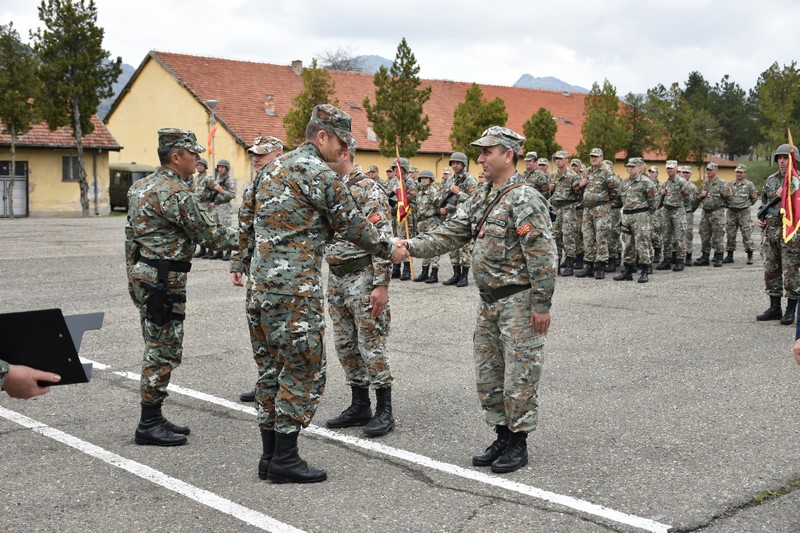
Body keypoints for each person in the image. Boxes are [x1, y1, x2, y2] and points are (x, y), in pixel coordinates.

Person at [394, 126, 556, 474]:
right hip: (488, 303)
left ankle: (518, 442)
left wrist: (542, 305)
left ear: (508, 155)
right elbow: (452, 231)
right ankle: (501, 433)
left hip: (519, 303)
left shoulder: (524, 198)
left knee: (520, 375)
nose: (480, 159)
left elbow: (542, 256)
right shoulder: (482, 194)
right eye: (480, 153)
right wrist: (410, 247)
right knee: (490, 375)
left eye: (487, 152)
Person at [249, 104, 396, 484]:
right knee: (303, 370)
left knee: (270, 372)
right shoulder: (318, 173)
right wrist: (389, 247)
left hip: (259, 290)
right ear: (322, 136)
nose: (343, 150)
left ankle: (269, 457)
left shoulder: (271, 170)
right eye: (341, 141)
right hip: (295, 293)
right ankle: (286, 458)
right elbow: (355, 225)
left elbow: (244, 222)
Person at [125, 128, 239, 447]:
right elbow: (211, 235)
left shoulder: (139, 187)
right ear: (177, 157)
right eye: (193, 154)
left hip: (146, 274)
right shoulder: (176, 192)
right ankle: (148, 423)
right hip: (165, 280)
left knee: (158, 343)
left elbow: (129, 238)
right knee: (162, 349)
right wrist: (254, 236)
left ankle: (155, 414)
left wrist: (133, 277)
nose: (198, 159)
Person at [324, 146, 396, 437]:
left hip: (363, 276)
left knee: (371, 343)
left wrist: (382, 284)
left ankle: (384, 410)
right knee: (345, 344)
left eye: (326, 155)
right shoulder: (329, 189)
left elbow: (384, 237)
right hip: (337, 277)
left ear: (343, 153)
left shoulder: (368, 189)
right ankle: (359, 404)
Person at [230, 136, 284, 404]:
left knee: (282, 332)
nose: (256, 158)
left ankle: (285, 386)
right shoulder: (253, 187)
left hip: (284, 276)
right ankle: (266, 381)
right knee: (258, 329)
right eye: (253, 153)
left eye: (262, 153)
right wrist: (237, 262)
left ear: (278, 155)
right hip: (257, 272)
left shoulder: (289, 185)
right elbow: (244, 228)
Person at [756, 144, 800, 325]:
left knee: (790, 271)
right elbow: (763, 203)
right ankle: (775, 307)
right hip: (771, 232)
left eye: (785, 158)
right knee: (771, 270)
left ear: (794, 160)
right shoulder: (771, 180)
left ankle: (791, 310)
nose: (781, 161)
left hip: (791, 234)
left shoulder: (798, 181)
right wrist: (761, 217)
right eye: (779, 158)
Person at [575, 148, 620, 279]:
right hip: (588, 209)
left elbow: (615, 188)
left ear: (601, 157)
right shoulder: (588, 171)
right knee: (587, 236)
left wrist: (606, 200)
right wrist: (582, 185)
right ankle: (589, 265)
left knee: (601, 236)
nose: (593, 158)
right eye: (591, 156)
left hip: (601, 208)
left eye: (596, 156)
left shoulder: (606, 170)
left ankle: (601, 266)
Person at [613, 157, 658, 283]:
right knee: (627, 244)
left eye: (633, 166)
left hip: (640, 216)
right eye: (629, 166)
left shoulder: (646, 182)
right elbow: (619, 199)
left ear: (639, 168)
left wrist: (646, 214)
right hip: (627, 215)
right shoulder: (625, 182)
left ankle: (644, 271)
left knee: (642, 243)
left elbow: (654, 201)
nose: (630, 169)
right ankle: (628, 270)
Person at [439, 152, 477, 287]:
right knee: (452, 247)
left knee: (464, 248)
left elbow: (475, 200)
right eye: (453, 163)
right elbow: (447, 199)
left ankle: (464, 276)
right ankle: (456, 274)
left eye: (457, 163)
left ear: (463, 164)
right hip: (451, 218)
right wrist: (443, 209)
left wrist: (458, 192)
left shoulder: (469, 180)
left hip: (464, 218)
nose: (455, 166)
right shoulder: (449, 181)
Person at [551, 154, 584, 276]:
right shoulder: (553, 175)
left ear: (566, 160)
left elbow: (580, 194)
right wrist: (551, 189)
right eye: (556, 159)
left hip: (569, 207)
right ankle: (558, 262)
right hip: (557, 208)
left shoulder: (573, 176)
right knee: (556, 235)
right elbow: (551, 194)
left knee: (568, 235)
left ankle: (570, 263)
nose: (558, 161)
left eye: (560, 159)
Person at [656, 160, 692, 271]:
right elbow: (659, 200)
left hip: (678, 211)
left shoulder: (682, 182)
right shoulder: (665, 183)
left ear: (676, 169)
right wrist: (661, 193)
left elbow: (688, 199)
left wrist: (680, 207)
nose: (669, 170)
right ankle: (667, 259)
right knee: (666, 237)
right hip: (666, 211)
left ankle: (680, 260)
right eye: (668, 168)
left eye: (671, 168)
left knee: (679, 236)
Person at [694, 162, 731, 267]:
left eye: (710, 170)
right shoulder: (705, 183)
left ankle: (719, 256)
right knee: (704, 234)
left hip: (717, 213)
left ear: (716, 170)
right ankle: (705, 256)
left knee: (718, 235)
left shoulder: (722, 183)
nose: (708, 172)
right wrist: (701, 195)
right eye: (707, 170)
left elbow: (728, 197)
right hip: (705, 212)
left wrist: (724, 204)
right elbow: (698, 196)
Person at [413, 169, 443, 283]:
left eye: (426, 178)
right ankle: (424, 272)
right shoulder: (420, 193)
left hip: (432, 221)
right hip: (422, 223)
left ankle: (434, 273)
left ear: (431, 180)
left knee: (434, 247)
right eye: (422, 178)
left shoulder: (433, 192)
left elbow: (439, 206)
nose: (424, 180)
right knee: (424, 247)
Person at [724, 164, 758, 265]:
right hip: (731, 212)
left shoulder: (749, 185)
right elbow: (725, 197)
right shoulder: (729, 184)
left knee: (747, 234)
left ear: (745, 173)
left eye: (740, 172)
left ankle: (750, 256)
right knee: (730, 234)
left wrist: (745, 205)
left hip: (744, 213)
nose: (738, 174)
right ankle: (730, 256)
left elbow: (754, 198)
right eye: (737, 172)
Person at [207, 160, 237, 260]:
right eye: (219, 167)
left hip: (225, 207)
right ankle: (219, 251)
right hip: (217, 207)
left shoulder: (229, 180)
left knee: (227, 230)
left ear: (227, 168)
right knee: (217, 230)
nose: (221, 169)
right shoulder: (218, 178)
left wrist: (221, 190)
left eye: (223, 167)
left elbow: (232, 194)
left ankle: (229, 252)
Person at [192, 158, 214, 258]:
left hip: (207, 205)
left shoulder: (208, 177)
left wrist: (212, 200)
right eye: (198, 165)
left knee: (209, 228)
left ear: (205, 167)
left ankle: (210, 250)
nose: (199, 166)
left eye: (201, 165)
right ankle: (202, 249)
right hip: (198, 205)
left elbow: (214, 190)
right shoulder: (196, 178)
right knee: (200, 228)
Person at [679, 166, 700, 266]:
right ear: (680, 173)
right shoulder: (676, 185)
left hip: (687, 213)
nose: (685, 174)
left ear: (690, 174)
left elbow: (695, 202)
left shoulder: (693, 187)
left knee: (688, 234)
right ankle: (676, 256)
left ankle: (688, 255)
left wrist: (689, 211)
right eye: (684, 172)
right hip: (677, 213)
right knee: (676, 235)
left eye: (687, 172)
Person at [647, 166, 664, 264]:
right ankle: (650, 254)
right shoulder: (647, 184)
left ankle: (657, 250)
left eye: (653, 172)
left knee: (655, 233)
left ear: (657, 173)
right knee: (648, 233)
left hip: (657, 212)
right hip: (648, 211)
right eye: (650, 172)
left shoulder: (661, 186)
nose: (651, 174)